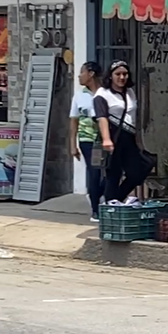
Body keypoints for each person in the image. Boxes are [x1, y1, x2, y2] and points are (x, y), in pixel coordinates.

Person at [92, 61, 153, 203]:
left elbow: (133, 117)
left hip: (129, 137)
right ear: (110, 76)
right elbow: (102, 117)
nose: (121, 77)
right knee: (113, 174)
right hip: (112, 137)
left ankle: (116, 199)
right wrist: (107, 139)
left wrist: (139, 141)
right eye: (117, 74)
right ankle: (110, 206)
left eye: (124, 74)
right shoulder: (102, 94)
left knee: (139, 170)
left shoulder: (129, 92)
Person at [69, 61, 105, 222]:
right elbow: (74, 120)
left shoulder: (105, 93)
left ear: (91, 74)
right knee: (94, 171)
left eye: (81, 72)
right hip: (88, 140)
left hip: (106, 138)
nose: (79, 76)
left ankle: (95, 193)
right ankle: (95, 210)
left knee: (111, 171)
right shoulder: (79, 95)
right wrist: (72, 144)